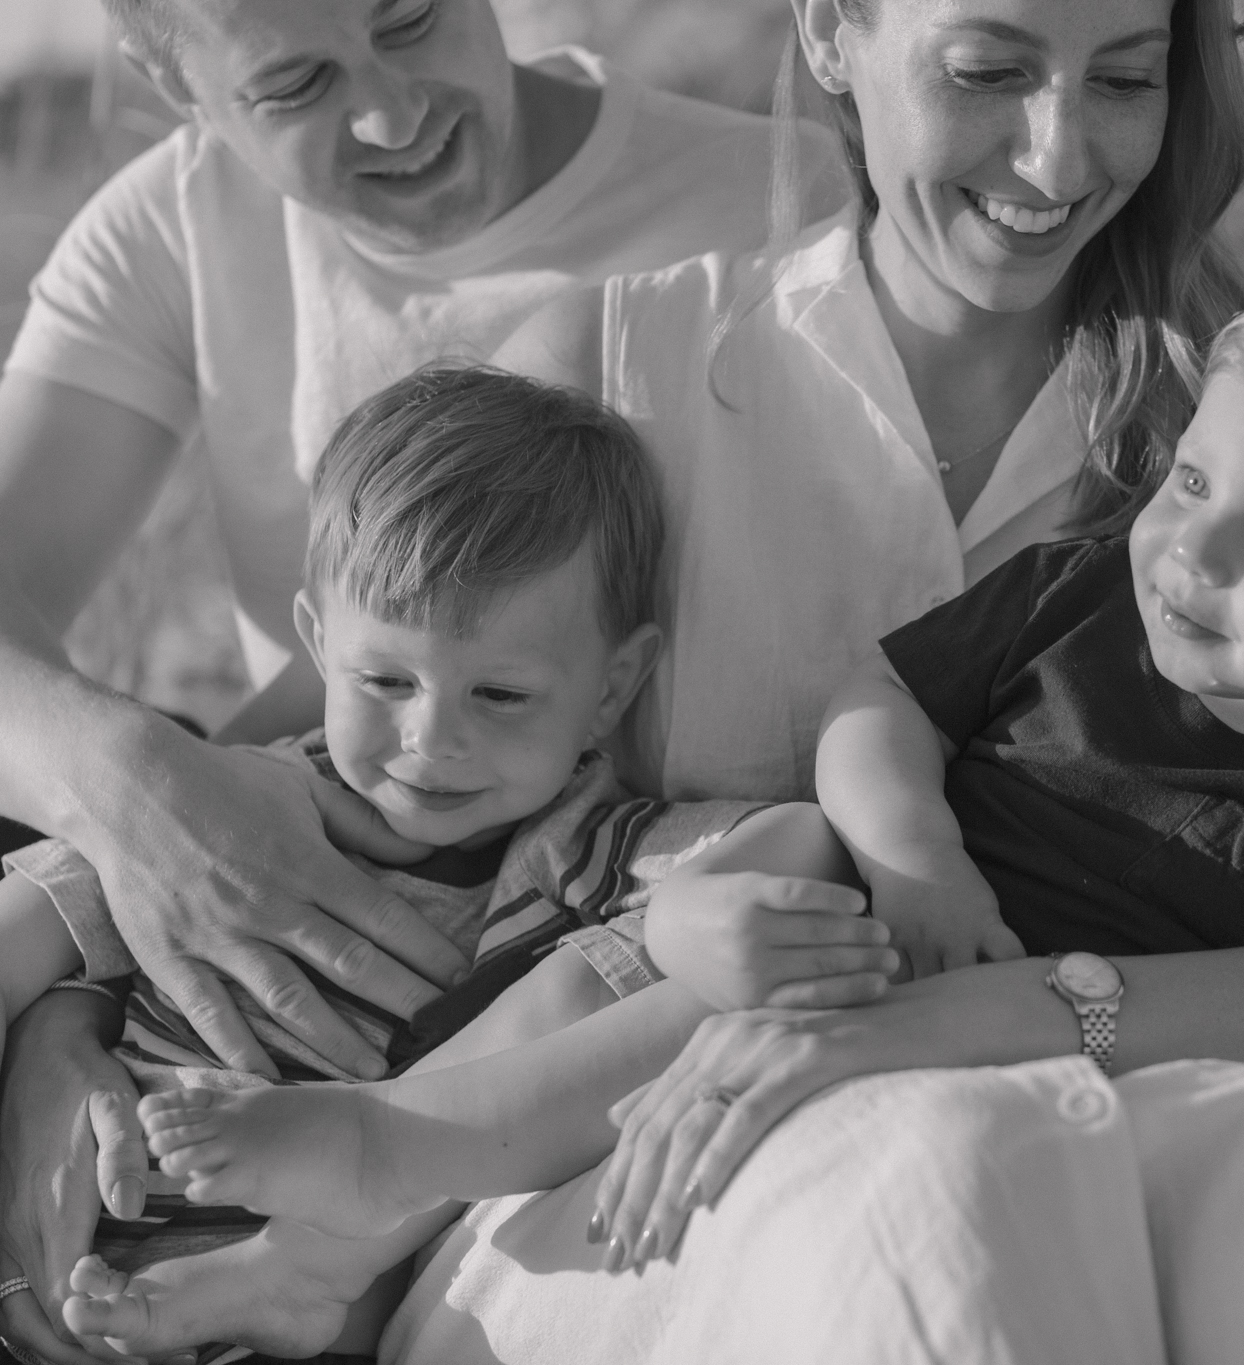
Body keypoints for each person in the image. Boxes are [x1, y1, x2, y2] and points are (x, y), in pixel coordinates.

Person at [4, 2, 1244, 1361]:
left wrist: (1016, 1012)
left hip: (1061, 1093)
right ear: (831, 30)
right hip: (603, 1161)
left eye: (1126, 78)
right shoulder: (620, 364)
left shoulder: (1240, 445)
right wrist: (68, 1020)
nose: (1054, 154)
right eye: (986, 64)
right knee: (945, 1165)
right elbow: (311, 769)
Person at [5, 364, 889, 1355]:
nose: (432, 740)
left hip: (268, 1309)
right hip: (47, 1246)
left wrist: (688, 919)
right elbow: (22, 936)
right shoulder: (240, 811)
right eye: (384, 678)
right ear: (317, 639)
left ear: (612, 688)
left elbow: (806, 845)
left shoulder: (577, 850)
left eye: (500, 696)